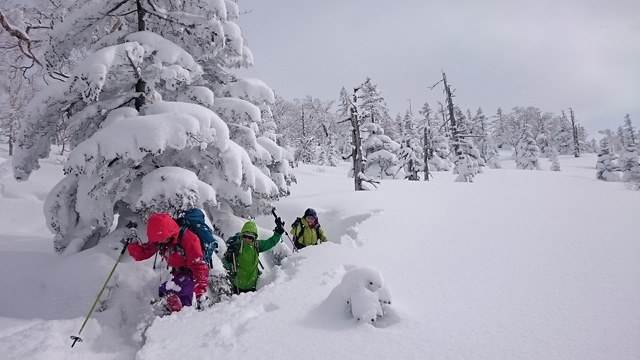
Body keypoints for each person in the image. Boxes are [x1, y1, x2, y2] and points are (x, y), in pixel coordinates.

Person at [128, 213, 209, 312]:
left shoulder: (189, 239)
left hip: (193, 275)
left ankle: (173, 316)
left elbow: (199, 267)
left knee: (166, 291)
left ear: (169, 232)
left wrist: (201, 294)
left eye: (162, 239)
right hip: (178, 274)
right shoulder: (161, 239)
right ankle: (183, 322)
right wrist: (133, 243)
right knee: (185, 308)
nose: (160, 242)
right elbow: (141, 254)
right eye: (158, 240)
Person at [223, 219, 284, 293]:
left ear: (254, 238)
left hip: (253, 286)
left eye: (250, 237)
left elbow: (270, 242)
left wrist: (278, 234)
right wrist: (227, 259)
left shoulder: (256, 245)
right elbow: (224, 264)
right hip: (237, 286)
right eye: (245, 236)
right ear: (242, 235)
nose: (247, 239)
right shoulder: (236, 247)